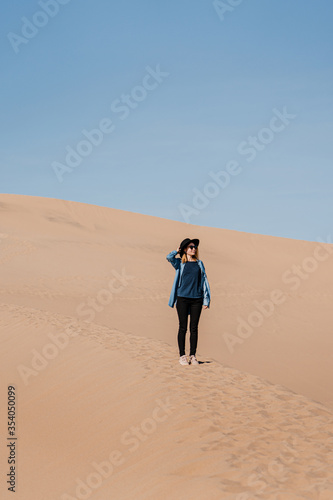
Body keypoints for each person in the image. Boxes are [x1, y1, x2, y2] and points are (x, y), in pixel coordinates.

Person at [166, 238, 211, 366]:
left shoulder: (199, 263)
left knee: (194, 328)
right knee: (183, 327)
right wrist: (177, 250)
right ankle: (182, 356)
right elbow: (169, 257)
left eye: (195, 247)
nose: (194, 249)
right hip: (182, 298)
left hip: (197, 299)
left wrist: (206, 300)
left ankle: (193, 356)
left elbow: (205, 282)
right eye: (191, 247)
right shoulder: (180, 263)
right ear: (185, 249)